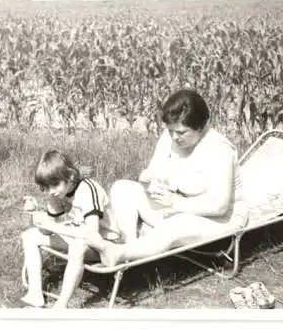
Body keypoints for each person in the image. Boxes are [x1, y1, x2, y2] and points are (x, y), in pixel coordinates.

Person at [85, 88, 249, 267]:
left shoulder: (219, 149)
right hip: (176, 205)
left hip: (218, 220)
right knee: (122, 188)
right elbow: (153, 172)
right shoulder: (169, 137)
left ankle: (121, 253)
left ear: (201, 127)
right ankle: (129, 246)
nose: (174, 137)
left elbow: (219, 206)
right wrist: (148, 181)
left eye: (181, 132)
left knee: (176, 224)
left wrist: (174, 204)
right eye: (171, 131)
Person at [19, 150, 117, 309]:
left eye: (55, 185)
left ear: (69, 176)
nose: (51, 191)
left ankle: (61, 305)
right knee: (29, 236)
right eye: (46, 187)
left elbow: (91, 233)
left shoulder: (88, 189)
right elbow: (46, 231)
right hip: (80, 236)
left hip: (105, 244)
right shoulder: (57, 194)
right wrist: (37, 215)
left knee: (78, 246)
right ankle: (35, 294)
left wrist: (54, 226)